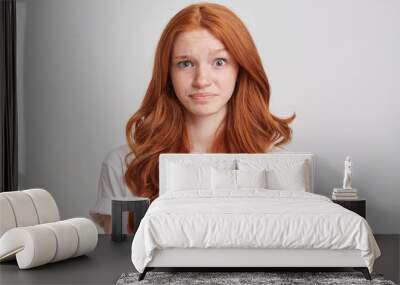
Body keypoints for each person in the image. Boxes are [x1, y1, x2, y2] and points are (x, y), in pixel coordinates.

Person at [91, 3, 295, 234]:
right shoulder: (123, 164)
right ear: (167, 74)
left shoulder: (277, 166)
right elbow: (117, 263)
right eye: (185, 63)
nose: (201, 80)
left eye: (219, 62)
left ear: (241, 69)